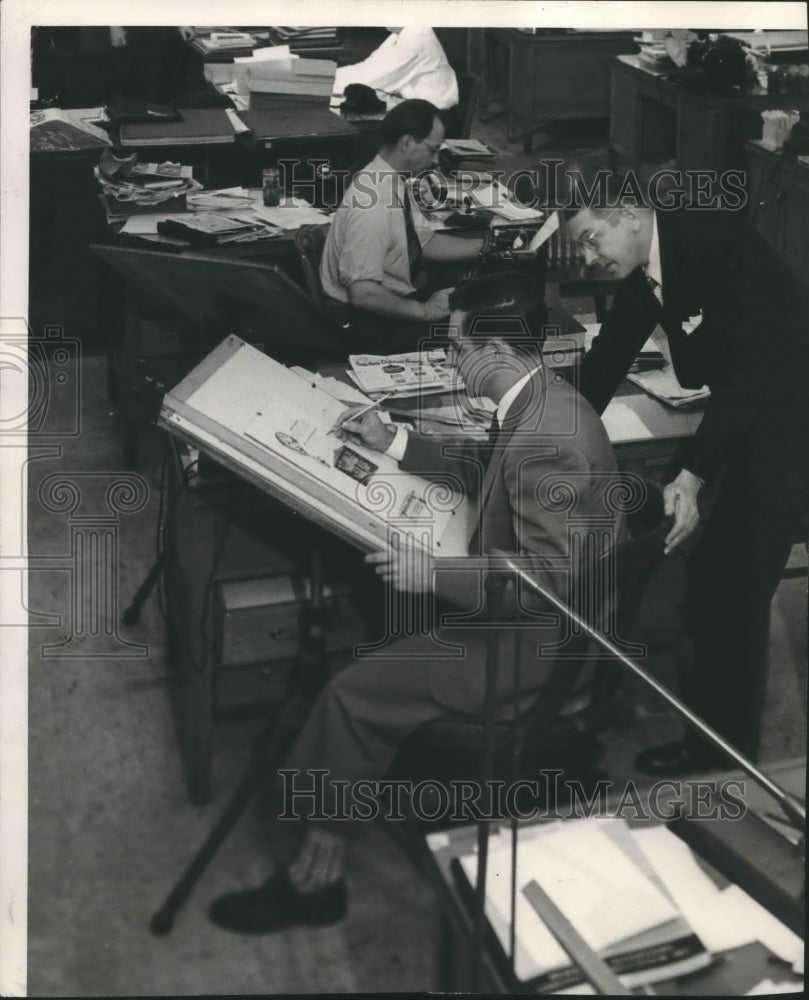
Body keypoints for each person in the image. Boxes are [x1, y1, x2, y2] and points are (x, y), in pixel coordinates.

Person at [207, 272, 627, 933]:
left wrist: (431, 572)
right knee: (380, 620)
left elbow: (546, 581)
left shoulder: (550, 438)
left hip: (532, 648)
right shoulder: (542, 400)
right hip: (546, 628)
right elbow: (485, 469)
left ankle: (316, 880)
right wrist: (396, 444)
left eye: (458, 349)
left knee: (349, 694)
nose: (449, 361)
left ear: (502, 353)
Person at [564, 188, 809, 773]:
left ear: (626, 215)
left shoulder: (712, 244)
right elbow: (610, 354)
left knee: (736, 587)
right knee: (715, 582)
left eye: (590, 238)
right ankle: (715, 748)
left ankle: (730, 766)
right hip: (755, 412)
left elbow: (754, 374)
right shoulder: (652, 261)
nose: (587, 259)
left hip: (791, 421)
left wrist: (693, 475)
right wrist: (551, 424)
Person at [320, 99, 488, 354]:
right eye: (432, 150)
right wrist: (424, 311)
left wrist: (487, 246)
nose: (435, 161)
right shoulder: (373, 204)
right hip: (368, 324)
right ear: (407, 143)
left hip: (389, 301)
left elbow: (423, 242)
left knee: (476, 303)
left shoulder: (390, 179)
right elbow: (363, 293)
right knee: (480, 330)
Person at [334, 27, 458, 111]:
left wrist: (329, 78)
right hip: (411, 106)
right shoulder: (400, 33)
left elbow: (374, 79)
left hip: (432, 116)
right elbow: (369, 66)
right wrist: (329, 74)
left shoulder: (417, 35)